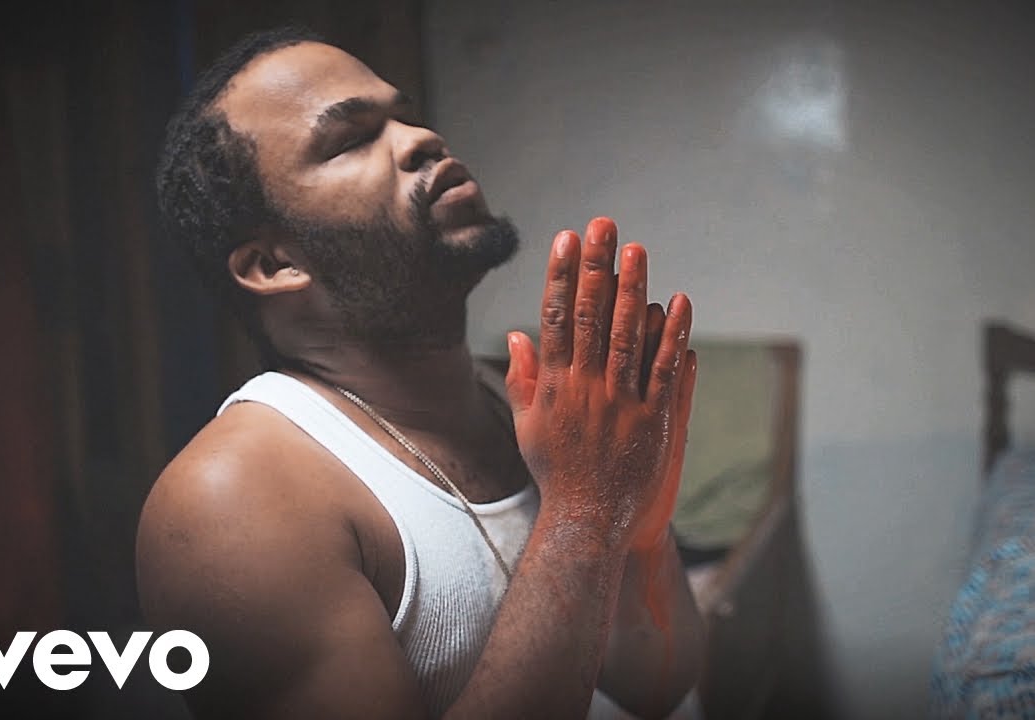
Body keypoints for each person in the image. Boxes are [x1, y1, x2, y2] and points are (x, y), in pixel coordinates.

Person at [138, 26, 705, 720]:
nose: (421, 139)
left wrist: (638, 530)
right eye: (351, 139)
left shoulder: (525, 402)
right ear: (274, 265)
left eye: (403, 115)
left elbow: (657, 688)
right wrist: (585, 513)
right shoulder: (231, 501)